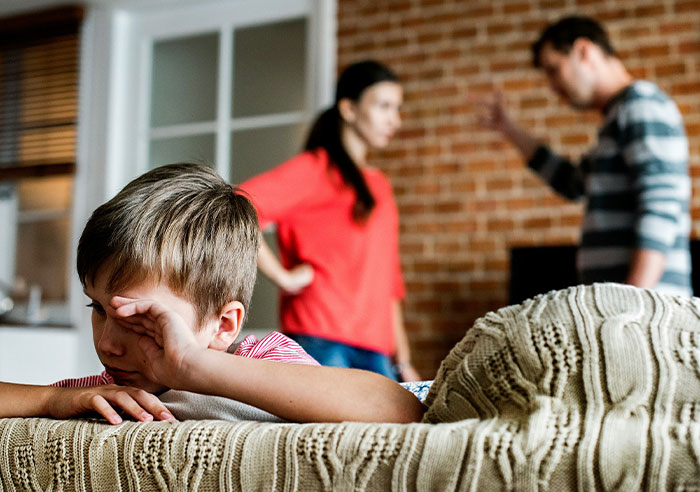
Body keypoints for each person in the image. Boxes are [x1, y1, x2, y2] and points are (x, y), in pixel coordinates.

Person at [0, 163, 425, 425]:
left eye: (138, 319)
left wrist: (194, 366)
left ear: (224, 325)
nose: (107, 344)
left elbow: (399, 407)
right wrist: (54, 398)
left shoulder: (261, 357)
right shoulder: (109, 391)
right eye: (98, 308)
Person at [472, 16, 692, 297]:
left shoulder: (641, 105)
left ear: (584, 51)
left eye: (554, 69)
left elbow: (660, 205)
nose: (552, 86)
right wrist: (510, 129)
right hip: (630, 311)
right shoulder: (615, 120)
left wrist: (630, 303)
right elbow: (572, 183)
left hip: (646, 315)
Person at [240, 60, 421, 382]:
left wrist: (403, 360)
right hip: (320, 340)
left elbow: (388, 278)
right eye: (384, 106)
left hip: (378, 350)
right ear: (349, 109)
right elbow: (237, 205)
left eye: (397, 107)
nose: (395, 119)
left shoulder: (380, 185)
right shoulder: (315, 168)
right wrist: (283, 277)